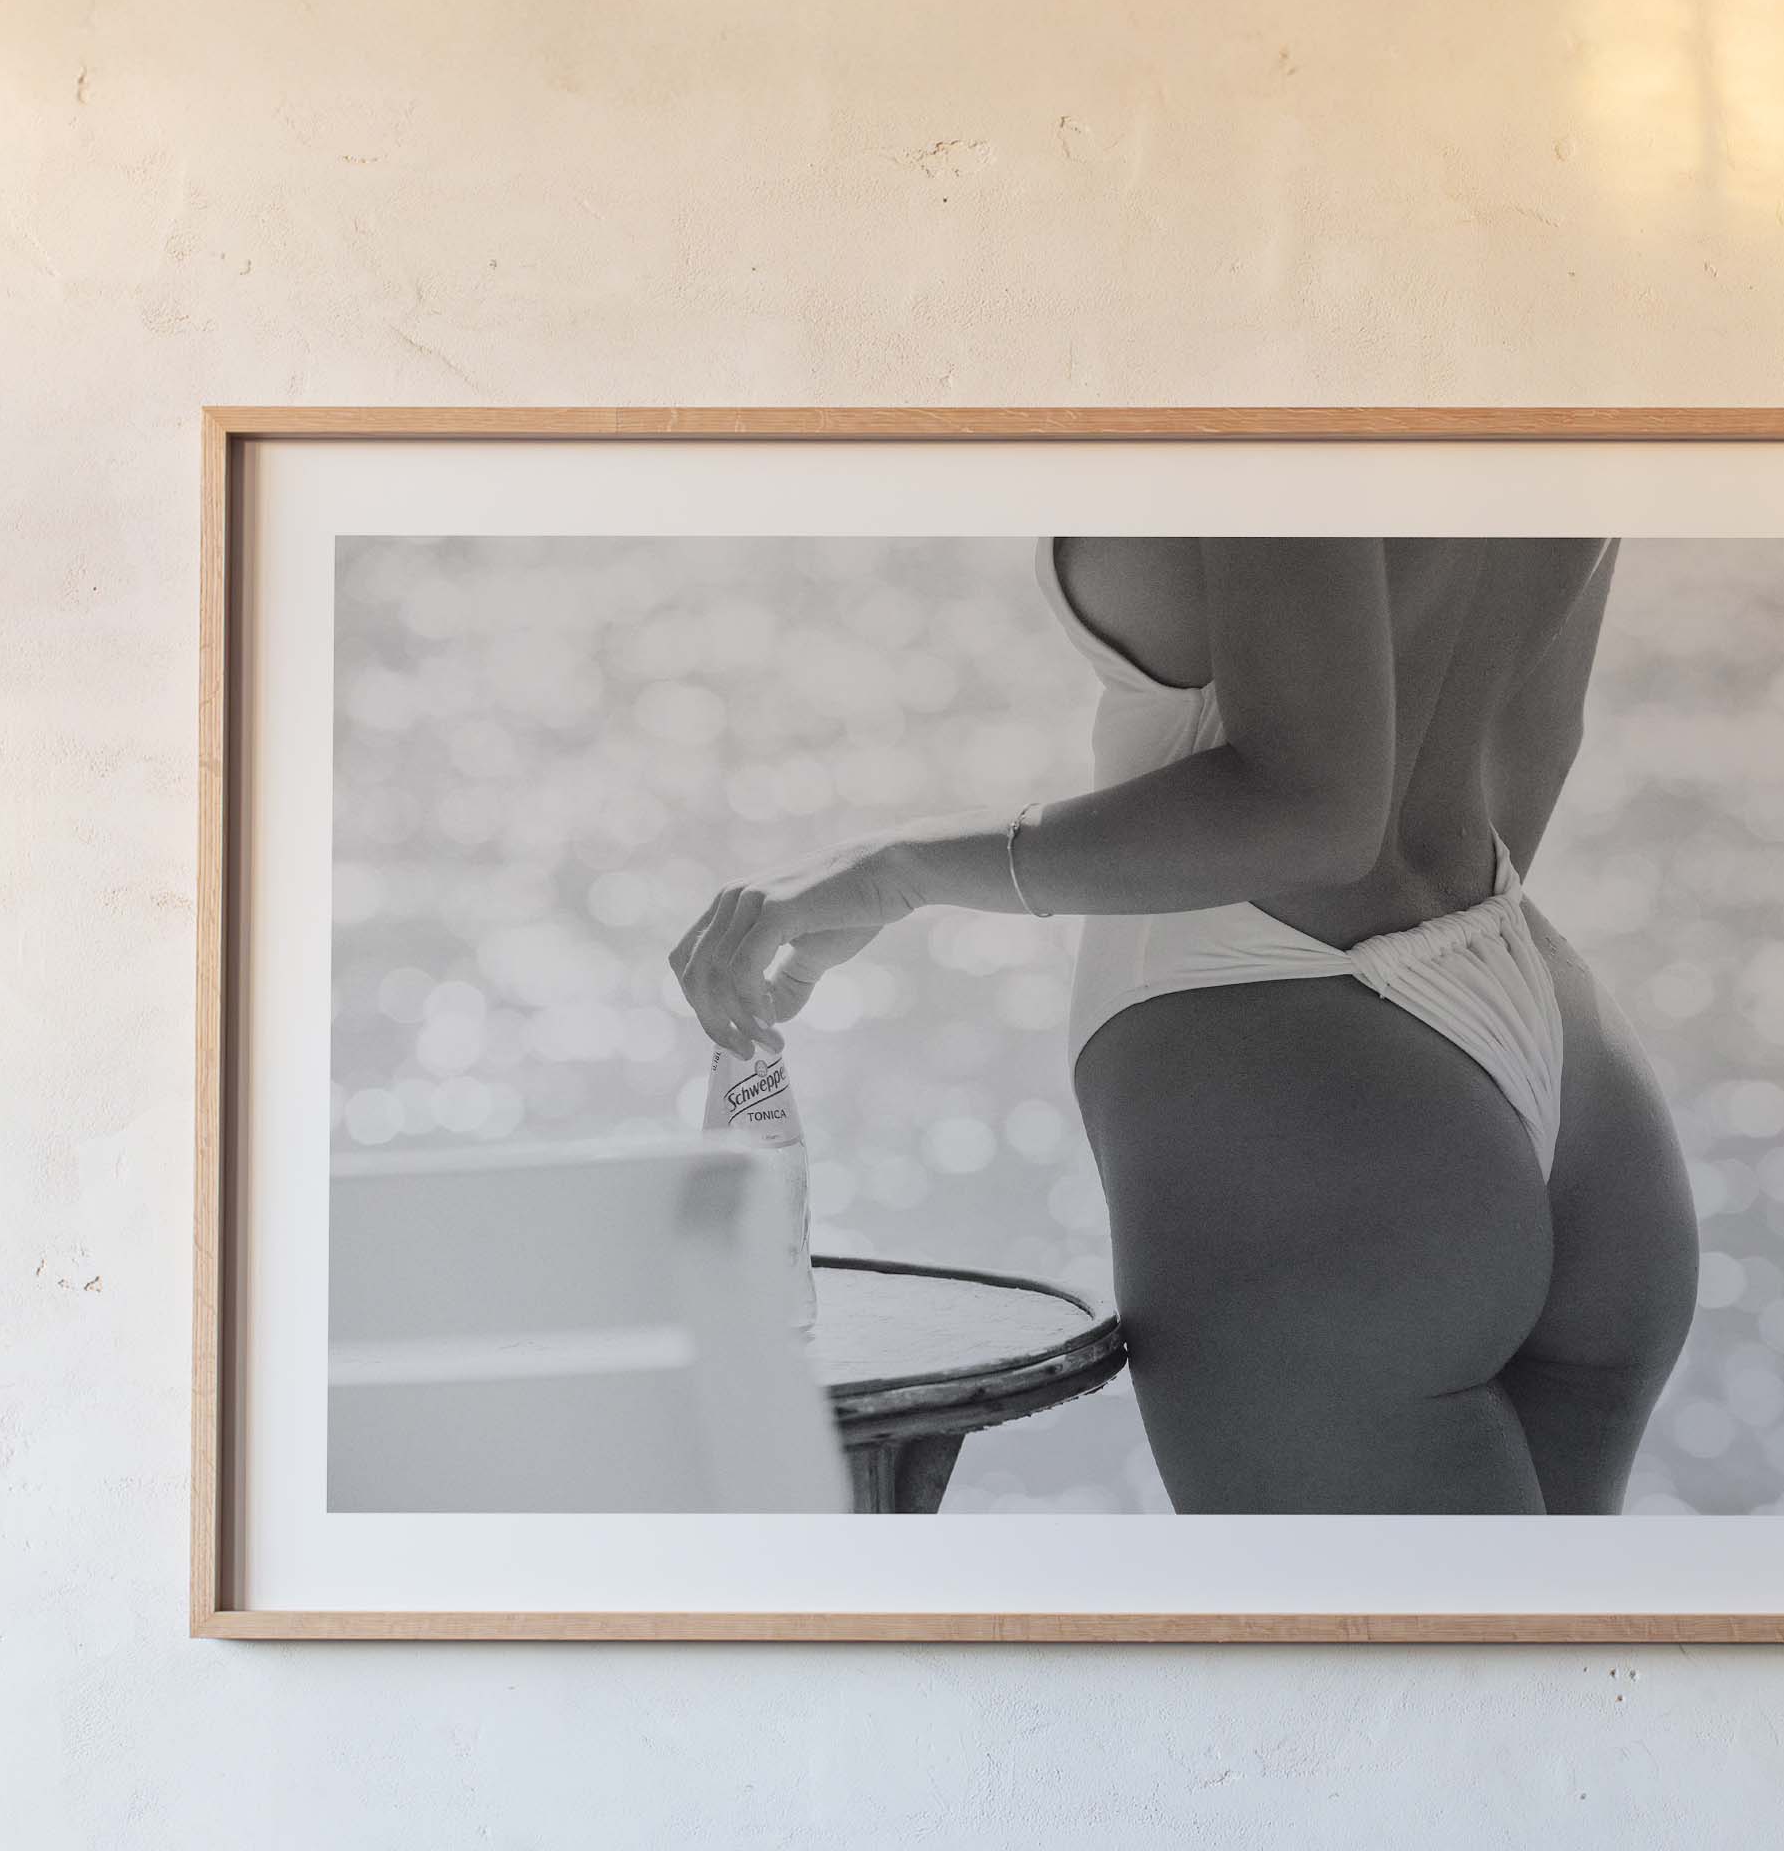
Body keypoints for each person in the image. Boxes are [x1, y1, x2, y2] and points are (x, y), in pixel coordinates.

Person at [671, 536, 1697, 1514]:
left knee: (1384, 1695)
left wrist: (899, 871)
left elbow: (1314, 814)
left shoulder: (1261, 382)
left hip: (1306, 1092)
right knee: (1543, 1676)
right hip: (1553, 1042)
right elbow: (1532, 745)